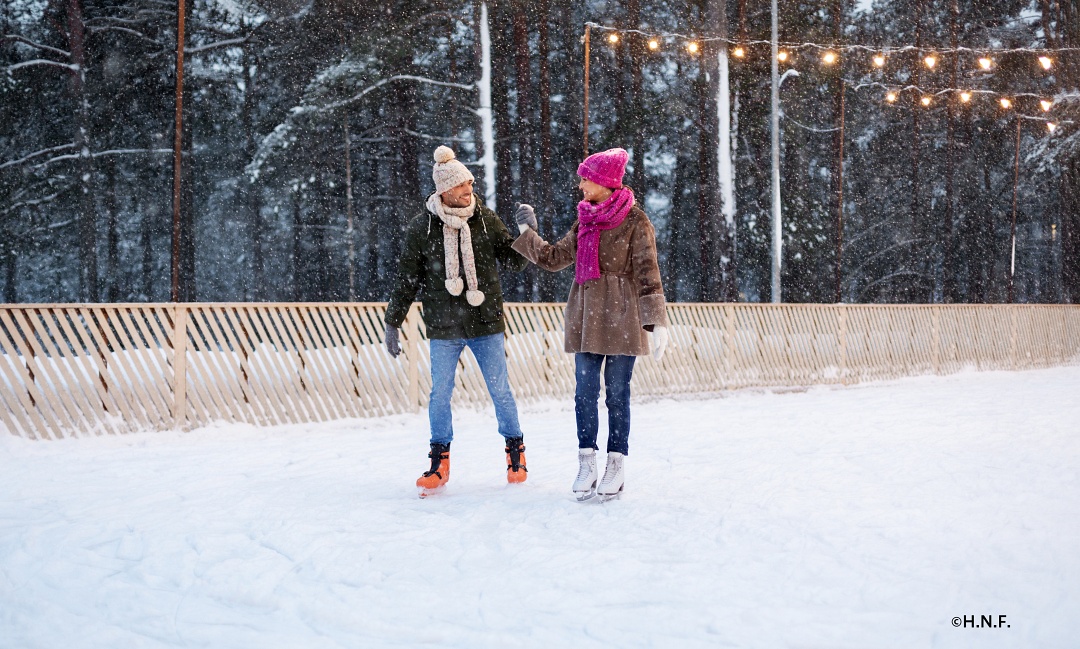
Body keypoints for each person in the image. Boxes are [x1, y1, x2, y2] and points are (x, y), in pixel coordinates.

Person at [511, 147, 669, 502]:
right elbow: (553, 259)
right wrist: (527, 231)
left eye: (586, 178)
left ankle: (616, 463)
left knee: (617, 394)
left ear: (604, 182)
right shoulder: (584, 220)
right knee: (584, 393)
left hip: (623, 316)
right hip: (585, 316)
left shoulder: (636, 221)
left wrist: (656, 321)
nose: (580, 184)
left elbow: (648, 272)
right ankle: (587, 462)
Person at [384, 146, 529, 497]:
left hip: (485, 322)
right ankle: (439, 461)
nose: (469, 190)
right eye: (463, 186)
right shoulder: (423, 228)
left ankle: (515, 452)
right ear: (445, 190)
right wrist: (393, 321)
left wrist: (528, 234)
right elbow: (407, 278)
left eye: (470, 184)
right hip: (444, 326)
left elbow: (515, 262)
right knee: (440, 394)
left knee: (500, 391)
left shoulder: (485, 219)